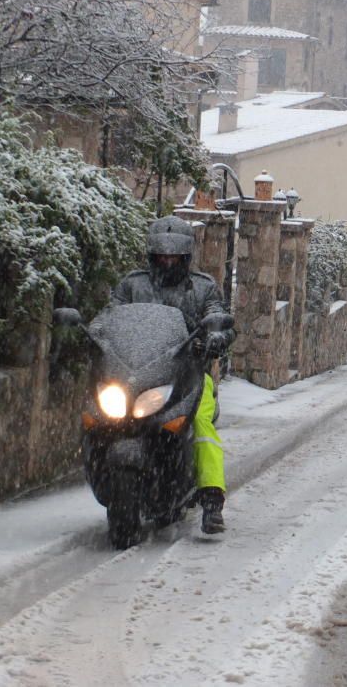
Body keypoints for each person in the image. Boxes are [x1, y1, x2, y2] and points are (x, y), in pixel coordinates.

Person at [110, 216, 236, 534]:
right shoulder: (132, 285)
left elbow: (217, 314)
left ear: (186, 256)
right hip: (138, 372)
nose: (168, 261)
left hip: (188, 374)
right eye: (162, 256)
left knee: (201, 422)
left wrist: (217, 336)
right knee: (99, 413)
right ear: (151, 255)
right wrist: (96, 336)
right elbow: (109, 317)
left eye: (174, 256)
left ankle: (211, 498)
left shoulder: (203, 287)